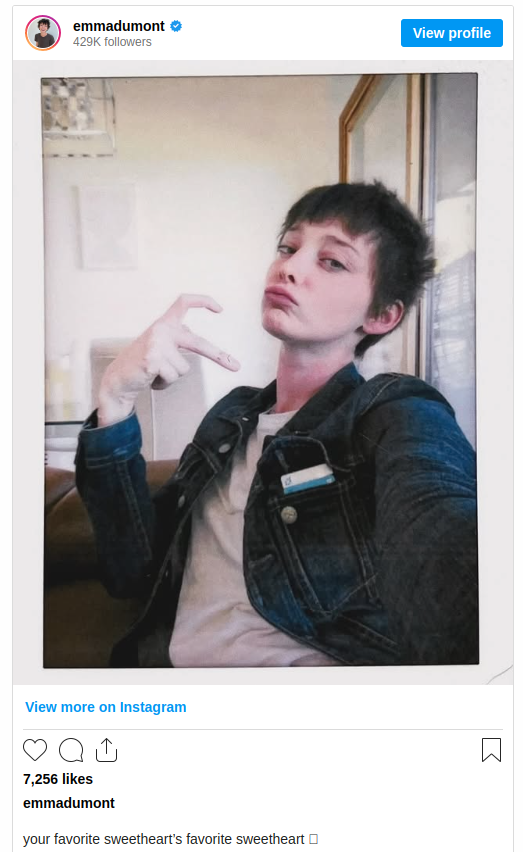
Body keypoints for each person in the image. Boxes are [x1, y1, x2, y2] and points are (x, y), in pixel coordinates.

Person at [75, 182, 478, 668]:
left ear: (380, 315)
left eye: (332, 262)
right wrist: (115, 400)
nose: (289, 267)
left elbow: (441, 524)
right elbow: (130, 573)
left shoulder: (394, 411)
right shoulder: (228, 420)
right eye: (288, 247)